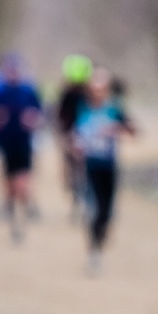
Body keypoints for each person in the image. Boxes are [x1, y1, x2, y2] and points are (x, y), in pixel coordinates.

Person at [73, 69, 135, 271]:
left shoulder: (114, 109)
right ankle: (93, 251)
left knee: (107, 212)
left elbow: (132, 130)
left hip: (109, 165)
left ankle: (100, 239)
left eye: (102, 88)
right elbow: (73, 135)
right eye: (95, 88)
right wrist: (76, 145)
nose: (98, 92)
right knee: (94, 209)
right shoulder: (82, 109)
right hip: (90, 166)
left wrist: (115, 128)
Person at [0, 53, 44, 238]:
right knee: (8, 178)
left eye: (16, 69)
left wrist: (32, 120)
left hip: (24, 142)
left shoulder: (29, 91)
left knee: (22, 181)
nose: (13, 73)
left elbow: (39, 114)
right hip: (6, 142)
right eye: (10, 70)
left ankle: (23, 211)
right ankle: (10, 206)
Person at [56, 54, 93, 219]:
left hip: (88, 137)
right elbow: (61, 118)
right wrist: (66, 138)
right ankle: (77, 200)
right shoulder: (67, 95)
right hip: (71, 136)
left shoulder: (90, 94)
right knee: (73, 171)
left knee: (83, 170)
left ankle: (83, 199)